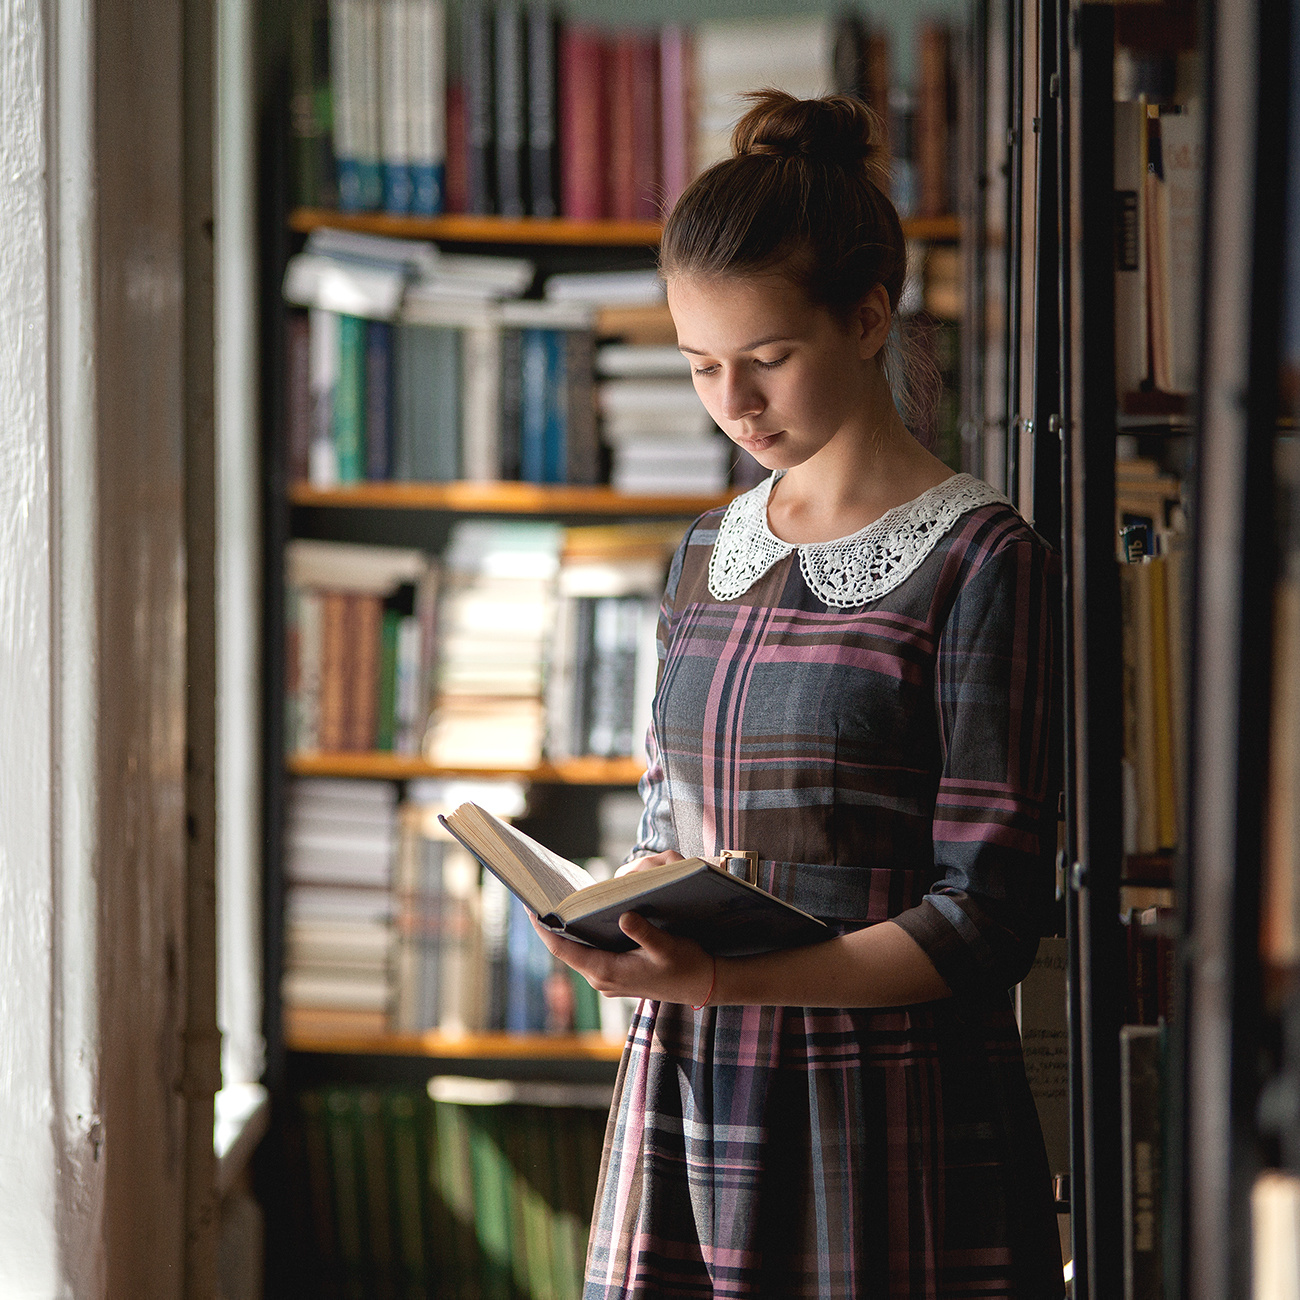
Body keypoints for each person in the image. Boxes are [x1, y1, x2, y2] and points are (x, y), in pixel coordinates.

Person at [532, 90, 1065, 1300]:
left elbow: (985, 915)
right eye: (703, 365)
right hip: (691, 1087)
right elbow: (669, 833)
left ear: (869, 318)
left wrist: (732, 979)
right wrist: (606, 917)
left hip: (883, 1115)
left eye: (768, 358)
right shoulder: (698, 554)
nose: (735, 404)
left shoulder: (984, 561)